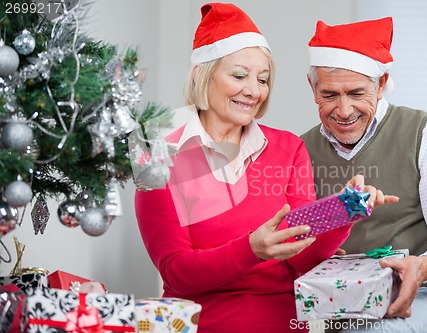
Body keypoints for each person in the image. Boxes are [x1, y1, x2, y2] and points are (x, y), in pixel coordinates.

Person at [134, 4, 397, 333]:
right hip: (202, 323)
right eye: (239, 76)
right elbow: (176, 272)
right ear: (203, 73)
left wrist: (344, 212)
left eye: (263, 79)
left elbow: (302, 256)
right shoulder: (158, 159)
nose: (254, 91)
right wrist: (251, 250)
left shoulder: (288, 149)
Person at [301, 17, 427, 332]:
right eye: (329, 95)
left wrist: (423, 266)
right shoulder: (300, 150)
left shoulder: (425, 133)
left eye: (357, 93)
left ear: (381, 83)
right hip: (347, 307)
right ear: (313, 87)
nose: (344, 111)